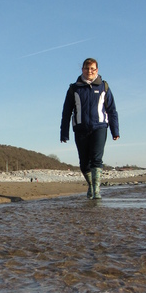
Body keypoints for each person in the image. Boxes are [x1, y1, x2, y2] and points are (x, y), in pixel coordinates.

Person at [60, 58, 119, 199]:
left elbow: (112, 110)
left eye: (92, 69)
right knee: (84, 163)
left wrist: (115, 131)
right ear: (82, 70)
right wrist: (64, 132)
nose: (89, 71)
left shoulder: (103, 87)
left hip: (99, 127)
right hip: (80, 129)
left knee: (96, 159)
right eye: (87, 68)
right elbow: (66, 112)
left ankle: (96, 191)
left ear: (97, 70)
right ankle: (91, 186)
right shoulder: (74, 88)